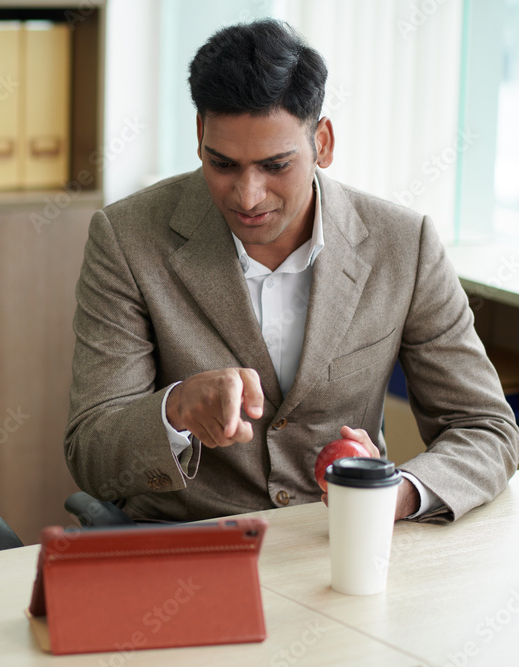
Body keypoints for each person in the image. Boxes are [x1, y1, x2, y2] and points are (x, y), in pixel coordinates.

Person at [65, 19, 518, 525]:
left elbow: (485, 428)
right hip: (188, 544)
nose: (248, 195)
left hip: (338, 543)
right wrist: (175, 411)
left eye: (275, 165)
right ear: (199, 136)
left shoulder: (403, 245)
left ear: (322, 142)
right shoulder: (127, 238)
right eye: (223, 164)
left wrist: (399, 493)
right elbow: (91, 452)